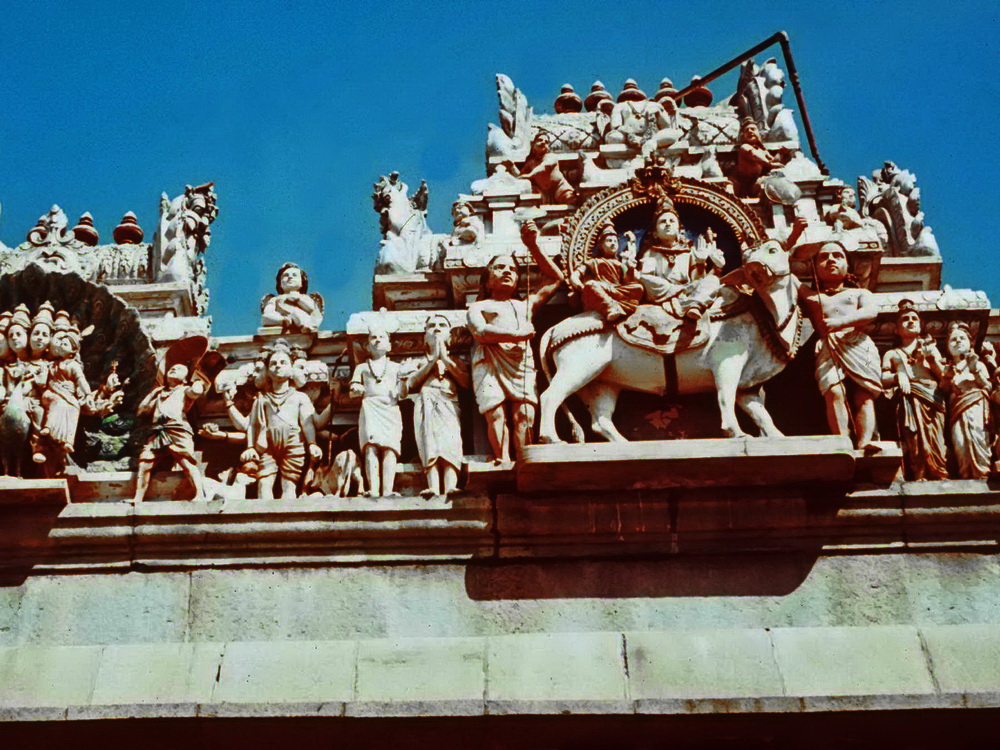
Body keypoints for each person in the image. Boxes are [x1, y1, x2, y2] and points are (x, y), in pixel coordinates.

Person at [467, 221, 562, 463]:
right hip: (489, 361)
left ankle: (524, 460)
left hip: (520, 363)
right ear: (487, 281)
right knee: (495, 414)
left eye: (512, 269)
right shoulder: (479, 306)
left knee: (525, 414)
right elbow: (480, 332)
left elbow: (555, 279)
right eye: (499, 268)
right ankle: (503, 459)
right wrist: (517, 336)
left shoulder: (524, 306)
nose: (507, 271)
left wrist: (533, 245)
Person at [798, 241, 882, 451]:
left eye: (838, 255)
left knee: (864, 393)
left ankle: (865, 441)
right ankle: (842, 440)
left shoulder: (859, 293)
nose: (831, 260)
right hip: (828, 346)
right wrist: (800, 238)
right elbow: (786, 274)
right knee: (834, 392)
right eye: (823, 257)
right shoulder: (811, 295)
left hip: (857, 343)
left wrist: (840, 322)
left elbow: (871, 312)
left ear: (848, 265)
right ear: (815, 267)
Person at [133, 338, 210, 502]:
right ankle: (138, 498)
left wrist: (198, 380)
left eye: (179, 369)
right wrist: (152, 393)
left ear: (185, 377)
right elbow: (141, 411)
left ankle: (199, 494)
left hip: (177, 429)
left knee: (186, 461)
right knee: (144, 463)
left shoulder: (184, 390)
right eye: (171, 369)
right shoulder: (160, 393)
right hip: (157, 431)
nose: (173, 369)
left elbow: (196, 392)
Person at [244, 340, 322, 499]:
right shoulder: (262, 399)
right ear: (267, 371)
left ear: (292, 369)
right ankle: (263, 513)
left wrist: (312, 443)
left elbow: (307, 423)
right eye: (273, 363)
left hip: (294, 441)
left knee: (289, 485)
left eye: (283, 362)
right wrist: (250, 447)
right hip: (266, 442)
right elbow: (253, 425)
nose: (278, 366)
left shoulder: (300, 397)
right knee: (264, 483)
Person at [881, 300, 948, 480]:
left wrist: (931, 360)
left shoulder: (930, 347)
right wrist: (898, 376)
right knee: (913, 438)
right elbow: (882, 379)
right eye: (905, 319)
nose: (910, 321)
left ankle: (938, 471)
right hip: (908, 399)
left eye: (914, 319)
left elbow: (943, 375)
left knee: (935, 439)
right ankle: (919, 473)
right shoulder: (892, 354)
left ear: (920, 325)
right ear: (896, 329)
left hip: (932, 398)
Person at [407, 314, 470, 496]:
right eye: (431, 326)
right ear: (425, 337)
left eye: (442, 325)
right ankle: (433, 486)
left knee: (450, 442)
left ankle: (450, 485)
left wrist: (444, 359)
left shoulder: (457, 361)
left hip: (449, 403)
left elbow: (466, 382)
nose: (436, 328)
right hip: (427, 404)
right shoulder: (418, 362)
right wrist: (433, 359)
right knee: (429, 443)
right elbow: (410, 384)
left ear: (449, 336)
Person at [635, 195, 725, 320]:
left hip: (687, 289)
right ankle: (685, 302)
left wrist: (700, 262)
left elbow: (697, 279)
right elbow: (646, 277)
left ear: (679, 229)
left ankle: (693, 305)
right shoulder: (651, 252)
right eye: (662, 222)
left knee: (713, 280)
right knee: (645, 279)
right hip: (663, 291)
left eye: (672, 221)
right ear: (655, 233)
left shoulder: (688, 251)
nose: (668, 224)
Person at [349, 328, 404, 497]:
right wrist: (356, 387)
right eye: (373, 337)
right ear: (367, 346)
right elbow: (353, 388)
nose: (378, 340)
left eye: (382, 337)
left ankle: (387, 491)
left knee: (390, 448)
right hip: (370, 407)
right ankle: (373, 489)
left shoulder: (396, 367)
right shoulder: (362, 368)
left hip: (390, 407)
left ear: (389, 345)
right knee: (370, 446)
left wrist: (403, 381)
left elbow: (403, 392)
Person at [941, 322, 992, 479]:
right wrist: (947, 377)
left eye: (962, 338)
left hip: (975, 405)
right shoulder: (947, 367)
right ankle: (965, 474)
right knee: (960, 442)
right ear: (947, 347)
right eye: (953, 340)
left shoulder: (978, 363)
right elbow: (943, 390)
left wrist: (974, 370)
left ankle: (982, 472)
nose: (958, 341)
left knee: (977, 437)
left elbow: (987, 386)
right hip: (956, 409)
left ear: (971, 343)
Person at [568, 222, 644, 323]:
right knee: (591, 284)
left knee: (638, 287)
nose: (613, 243)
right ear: (601, 245)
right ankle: (611, 308)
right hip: (601, 289)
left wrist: (630, 268)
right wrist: (582, 288)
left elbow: (627, 281)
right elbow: (574, 276)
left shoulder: (620, 264)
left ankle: (619, 305)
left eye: (615, 241)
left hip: (617, 290)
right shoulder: (593, 262)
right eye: (609, 241)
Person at [503, 132, 575, 205]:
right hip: (542, 192)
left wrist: (530, 175)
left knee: (570, 198)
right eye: (540, 140)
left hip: (559, 187)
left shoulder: (551, 157)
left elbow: (544, 166)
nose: (543, 142)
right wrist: (512, 167)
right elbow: (521, 177)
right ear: (533, 144)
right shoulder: (530, 163)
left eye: (546, 142)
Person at [260, 262, 323, 333]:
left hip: (302, 320)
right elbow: (267, 314)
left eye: (295, 275)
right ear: (280, 282)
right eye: (286, 275)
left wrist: (298, 300)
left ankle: (306, 327)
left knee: (297, 313)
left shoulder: (304, 297)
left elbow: (311, 308)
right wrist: (283, 320)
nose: (290, 277)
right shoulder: (275, 299)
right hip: (283, 320)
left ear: (302, 282)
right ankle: (286, 322)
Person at [730, 118, 782, 197]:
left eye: (753, 129)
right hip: (739, 184)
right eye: (746, 130)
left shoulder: (762, 150)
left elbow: (772, 159)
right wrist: (771, 164)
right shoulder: (745, 147)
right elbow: (754, 156)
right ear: (743, 137)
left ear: (758, 133)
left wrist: (781, 153)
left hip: (753, 183)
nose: (750, 131)